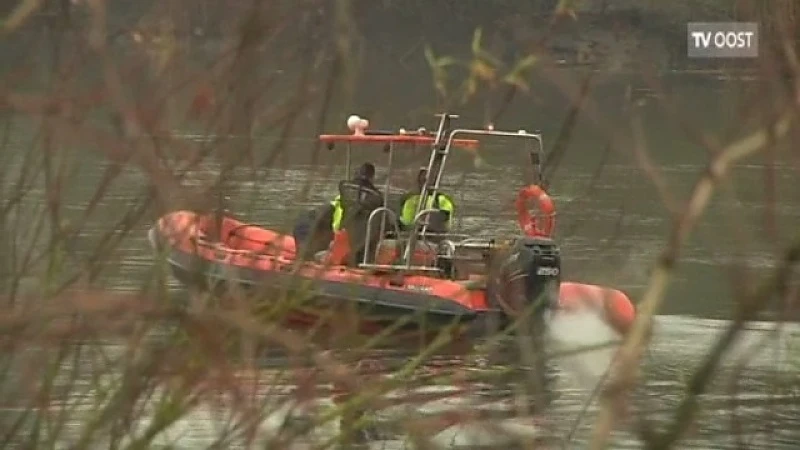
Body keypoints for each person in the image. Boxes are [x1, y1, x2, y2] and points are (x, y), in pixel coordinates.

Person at [398, 167, 455, 235]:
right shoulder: (444, 200)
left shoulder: (410, 200)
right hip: (438, 237)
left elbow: (407, 223)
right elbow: (446, 222)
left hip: (415, 236)